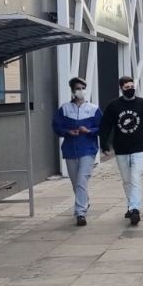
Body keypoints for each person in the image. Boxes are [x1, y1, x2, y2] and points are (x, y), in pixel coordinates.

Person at [99, 76, 143, 226]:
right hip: (121, 148)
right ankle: (131, 204)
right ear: (121, 88)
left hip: (139, 147)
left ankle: (135, 209)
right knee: (127, 180)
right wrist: (104, 143)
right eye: (127, 87)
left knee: (136, 177)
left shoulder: (142, 104)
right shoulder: (114, 106)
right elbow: (106, 125)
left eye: (132, 86)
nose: (130, 89)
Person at [51, 77, 102, 226]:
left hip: (88, 149)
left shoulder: (93, 109)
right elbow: (56, 126)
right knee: (75, 182)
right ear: (73, 91)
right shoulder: (65, 108)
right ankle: (84, 201)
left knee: (81, 179)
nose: (81, 91)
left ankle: (80, 213)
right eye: (78, 88)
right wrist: (67, 132)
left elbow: (102, 127)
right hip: (70, 150)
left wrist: (89, 130)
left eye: (83, 88)